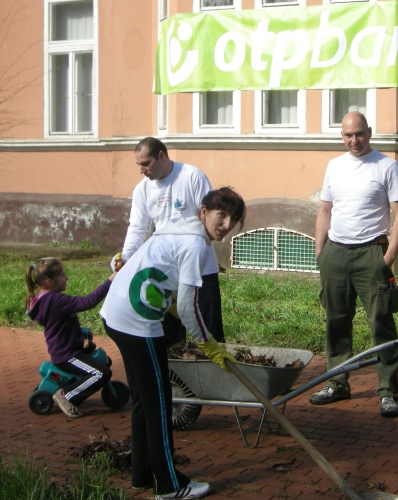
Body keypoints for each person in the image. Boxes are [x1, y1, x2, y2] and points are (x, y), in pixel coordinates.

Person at [100, 187, 246, 500]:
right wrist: (210, 346)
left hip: (115, 312)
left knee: (143, 399)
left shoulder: (178, 225)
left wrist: (166, 304)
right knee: (160, 405)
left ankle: (141, 474)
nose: (226, 224)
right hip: (138, 323)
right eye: (222, 215)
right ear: (204, 211)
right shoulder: (196, 245)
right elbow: (188, 308)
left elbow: (160, 273)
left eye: (233, 219)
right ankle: (168, 486)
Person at [309, 111, 398, 418]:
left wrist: (387, 258)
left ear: (369, 132)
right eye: (348, 135)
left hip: (371, 254)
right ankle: (337, 382)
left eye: (360, 134)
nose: (354, 141)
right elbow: (325, 210)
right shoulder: (334, 167)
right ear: (342, 136)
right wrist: (320, 253)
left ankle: (387, 390)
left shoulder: (386, 166)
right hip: (335, 254)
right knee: (336, 321)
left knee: (381, 321)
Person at [112, 137, 225, 344]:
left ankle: (213, 373)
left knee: (209, 329)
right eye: (139, 165)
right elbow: (137, 228)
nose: (142, 170)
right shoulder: (142, 190)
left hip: (200, 268)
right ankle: (175, 375)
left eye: (146, 163)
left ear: (162, 156)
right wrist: (126, 256)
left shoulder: (191, 176)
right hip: (165, 273)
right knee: (171, 337)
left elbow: (209, 216)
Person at [25, 258, 116, 419]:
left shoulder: (44, 298)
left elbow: (56, 323)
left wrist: (78, 331)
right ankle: (66, 395)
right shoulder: (56, 300)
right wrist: (111, 279)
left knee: (102, 364)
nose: (66, 277)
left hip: (65, 350)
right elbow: (89, 301)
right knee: (101, 373)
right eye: (62, 275)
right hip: (68, 355)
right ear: (49, 281)